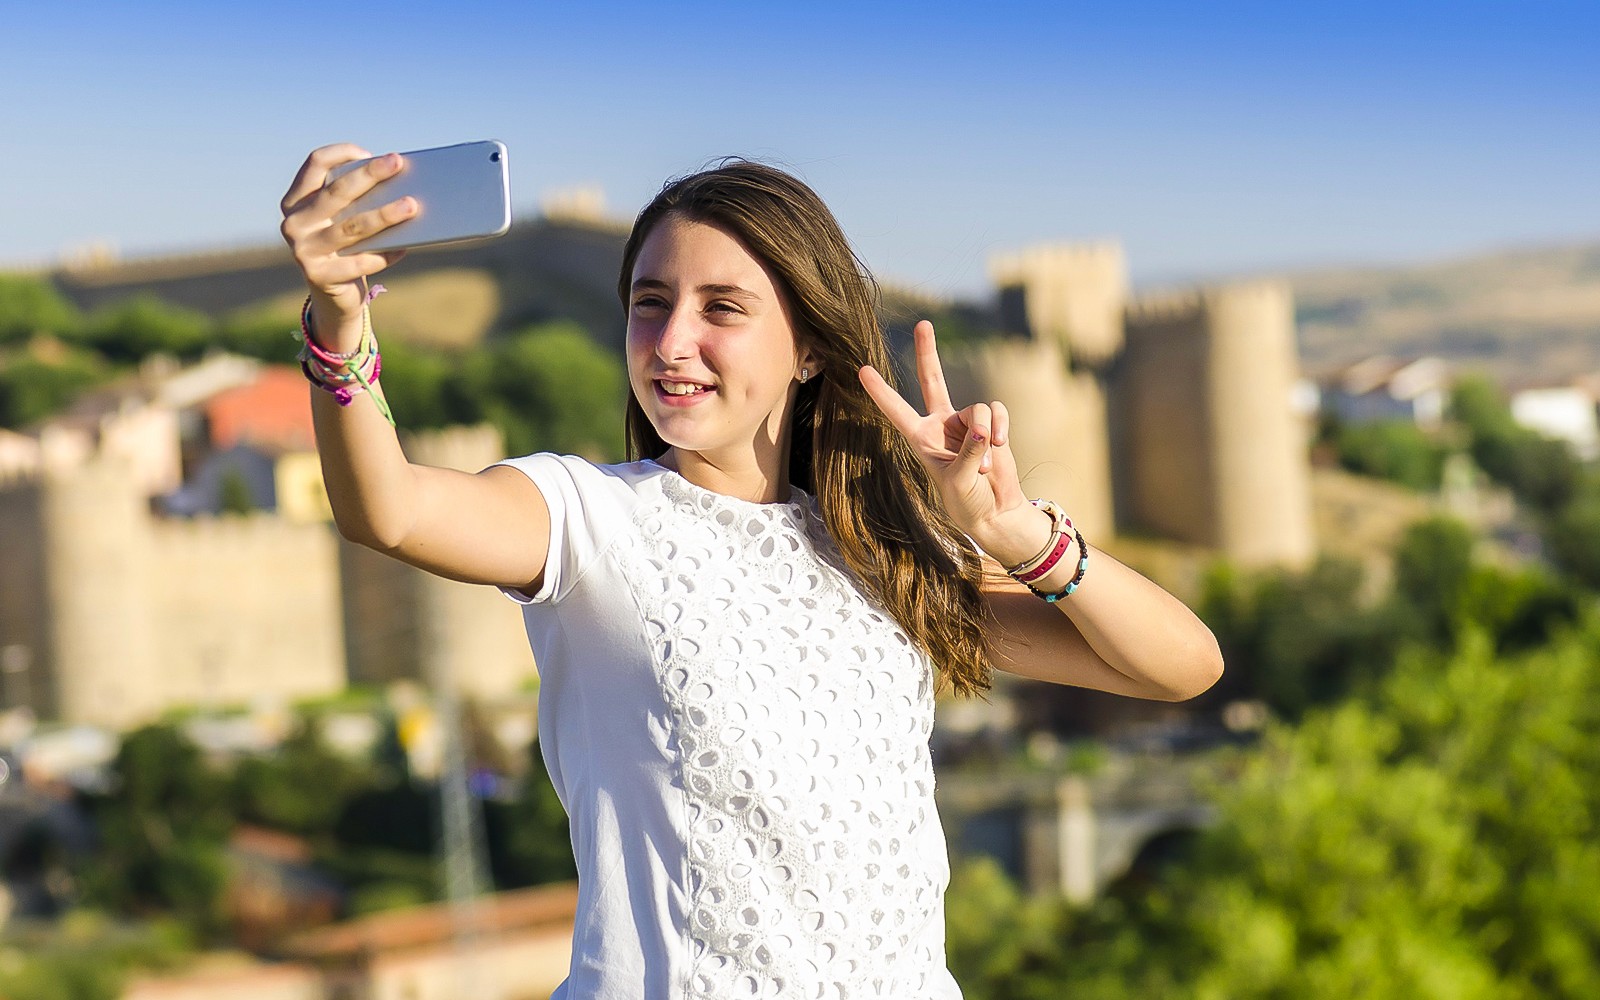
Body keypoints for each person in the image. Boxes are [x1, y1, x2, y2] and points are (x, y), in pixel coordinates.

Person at [279, 145, 1222, 998]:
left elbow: (1181, 666)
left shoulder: (883, 561)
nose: (672, 340)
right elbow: (388, 509)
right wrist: (337, 319)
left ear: (810, 347)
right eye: (650, 303)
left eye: (721, 308)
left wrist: (1016, 534)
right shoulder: (588, 518)